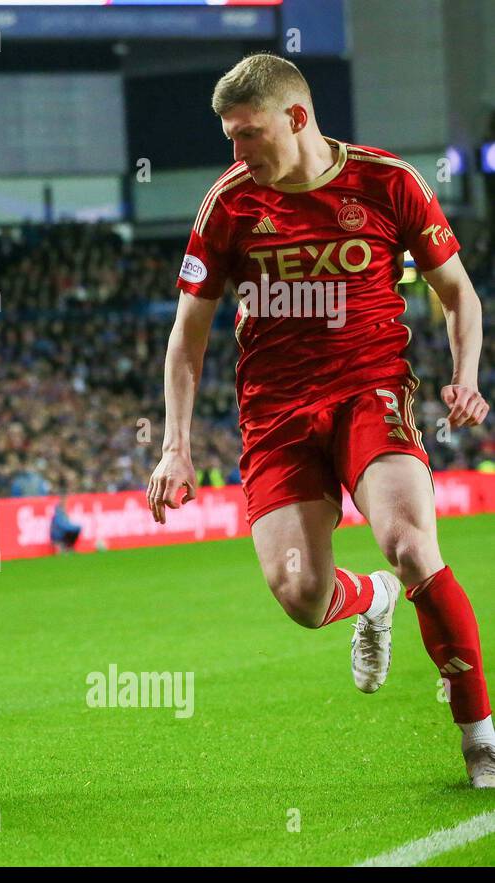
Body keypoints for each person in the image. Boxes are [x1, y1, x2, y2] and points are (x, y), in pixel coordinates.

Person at [146, 54, 493, 788]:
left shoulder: (388, 182)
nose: (236, 153)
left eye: (247, 134)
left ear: (297, 118)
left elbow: (459, 295)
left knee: (409, 542)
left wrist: (464, 379)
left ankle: (480, 739)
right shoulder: (229, 204)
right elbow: (187, 337)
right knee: (304, 597)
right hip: (274, 413)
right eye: (229, 137)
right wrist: (174, 448)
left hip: (371, 390)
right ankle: (373, 599)